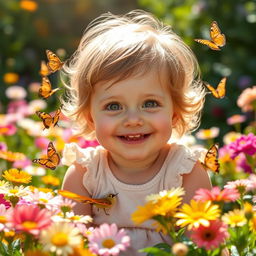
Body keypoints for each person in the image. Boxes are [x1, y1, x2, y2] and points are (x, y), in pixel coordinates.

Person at [61, 9, 212, 255]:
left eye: (150, 103)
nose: (132, 120)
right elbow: (72, 246)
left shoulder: (185, 173)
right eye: (114, 106)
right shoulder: (84, 175)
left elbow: (201, 245)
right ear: (91, 117)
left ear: (175, 112)